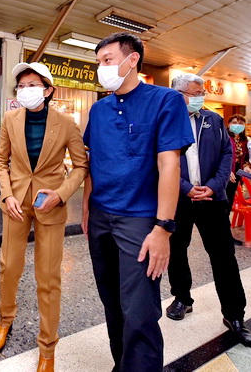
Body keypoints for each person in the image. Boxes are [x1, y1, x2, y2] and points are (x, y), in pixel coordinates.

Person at [82, 32, 193, 372]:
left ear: (132, 60)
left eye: (108, 60)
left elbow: (169, 164)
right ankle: (123, 365)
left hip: (140, 220)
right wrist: (86, 209)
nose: (101, 68)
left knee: (140, 311)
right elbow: (92, 162)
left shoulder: (165, 100)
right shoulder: (99, 110)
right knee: (112, 303)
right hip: (101, 216)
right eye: (98, 62)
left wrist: (163, 228)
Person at [0, 62, 88, 372]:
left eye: (32, 85)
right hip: (16, 204)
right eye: (21, 85)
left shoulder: (66, 124)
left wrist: (61, 193)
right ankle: (5, 319)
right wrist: (7, 195)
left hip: (51, 205)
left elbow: (81, 166)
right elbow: (1, 162)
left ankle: (47, 345)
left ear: (48, 90)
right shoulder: (10, 119)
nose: (25, 90)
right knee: (9, 267)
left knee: (48, 278)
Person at [165, 73, 251, 345]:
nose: (201, 98)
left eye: (202, 93)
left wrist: (214, 186)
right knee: (177, 250)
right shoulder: (164, 120)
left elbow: (227, 154)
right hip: (178, 199)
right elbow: (157, 160)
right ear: (179, 93)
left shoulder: (213, 120)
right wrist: (184, 187)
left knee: (224, 256)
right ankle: (182, 298)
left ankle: (234, 315)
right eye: (195, 93)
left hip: (212, 200)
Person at [225, 114, 251, 216]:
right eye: (234, 123)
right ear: (229, 124)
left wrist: (246, 166)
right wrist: (227, 171)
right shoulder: (225, 138)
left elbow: (245, 157)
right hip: (225, 173)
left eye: (240, 123)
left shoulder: (244, 141)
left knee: (229, 200)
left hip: (237, 174)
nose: (237, 125)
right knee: (222, 202)